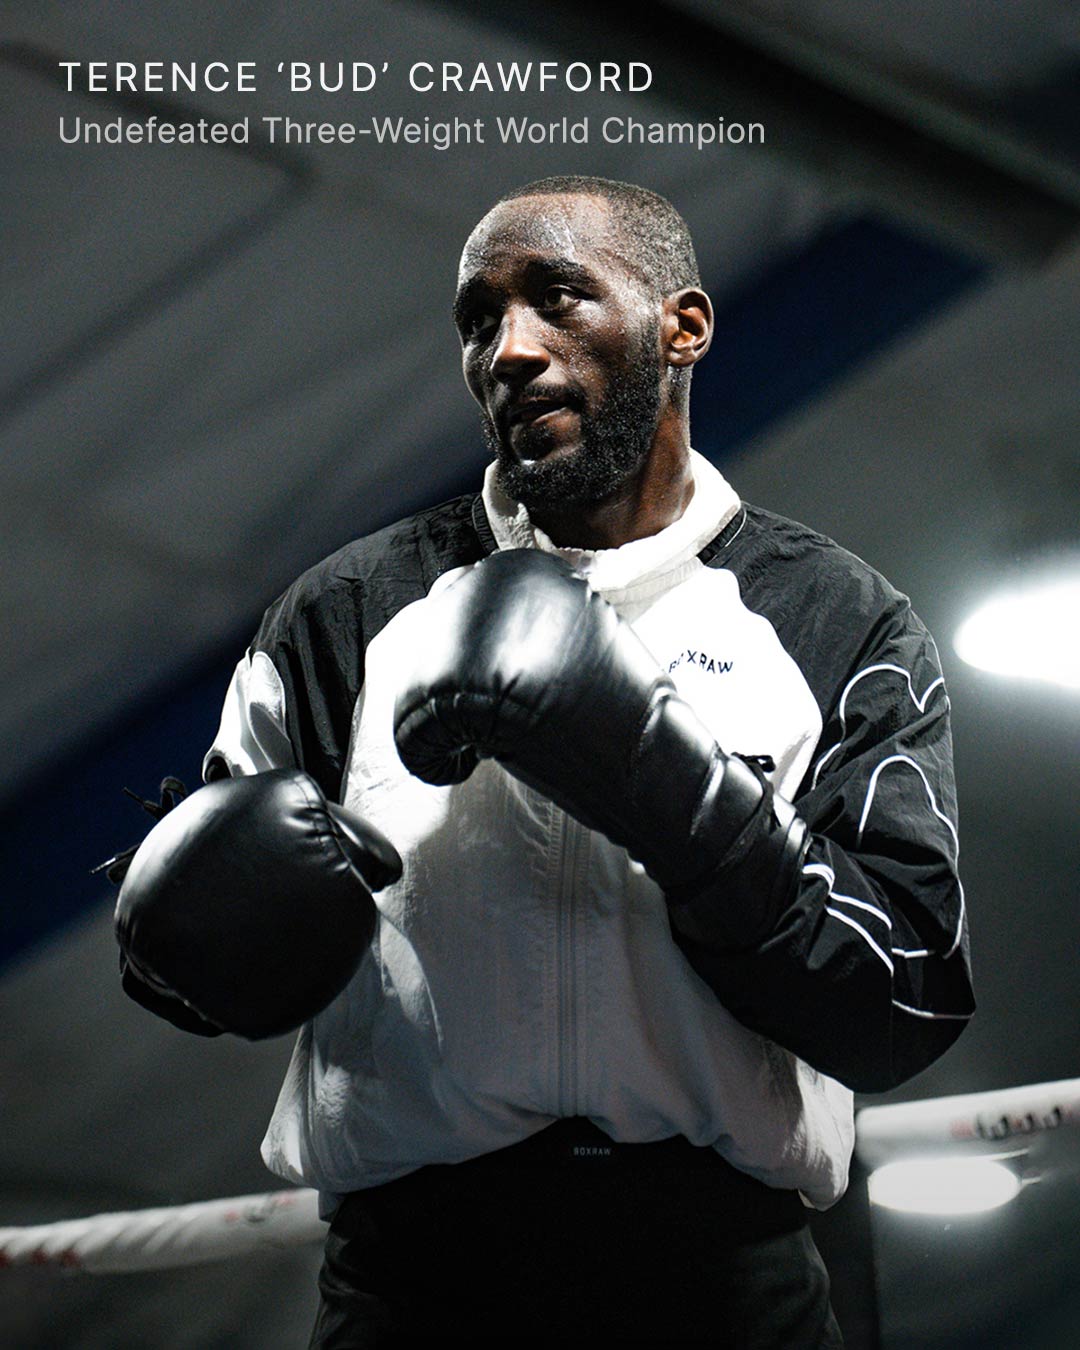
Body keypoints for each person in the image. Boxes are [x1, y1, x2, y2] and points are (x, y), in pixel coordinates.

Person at [115, 177, 974, 1346]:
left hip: (724, 1282)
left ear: (682, 327)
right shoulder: (349, 612)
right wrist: (192, 925)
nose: (509, 350)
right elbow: (181, 964)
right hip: (414, 1285)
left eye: (558, 297)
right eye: (479, 321)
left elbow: (907, 993)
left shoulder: (837, 620)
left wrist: (663, 782)